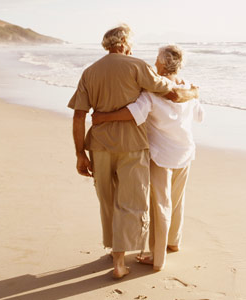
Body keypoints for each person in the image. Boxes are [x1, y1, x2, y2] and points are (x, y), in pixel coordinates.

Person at [68, 24, 197, 279]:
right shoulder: (138, 66)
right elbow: (170, 92)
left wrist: (80, 154)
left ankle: (114, 248)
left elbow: (79, 116)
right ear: (125, 42)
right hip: (133, 146)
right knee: (131, 201)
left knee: (108, 199)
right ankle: (119, 260)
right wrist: (193, 91)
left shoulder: (89, 72)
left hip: (99, 147)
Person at [92, 44, 204, 272]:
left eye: (157, 59)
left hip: (161, 155)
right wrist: (194, 93)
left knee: (161, 204)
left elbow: (133, 113)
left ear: (162, 63)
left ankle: (158, 257)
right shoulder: (187, 87)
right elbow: (200, 116)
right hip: (185, 150)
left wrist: (103, 116)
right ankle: (173, 242)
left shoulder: (152, 91)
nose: (154, 63)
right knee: (177, 199)